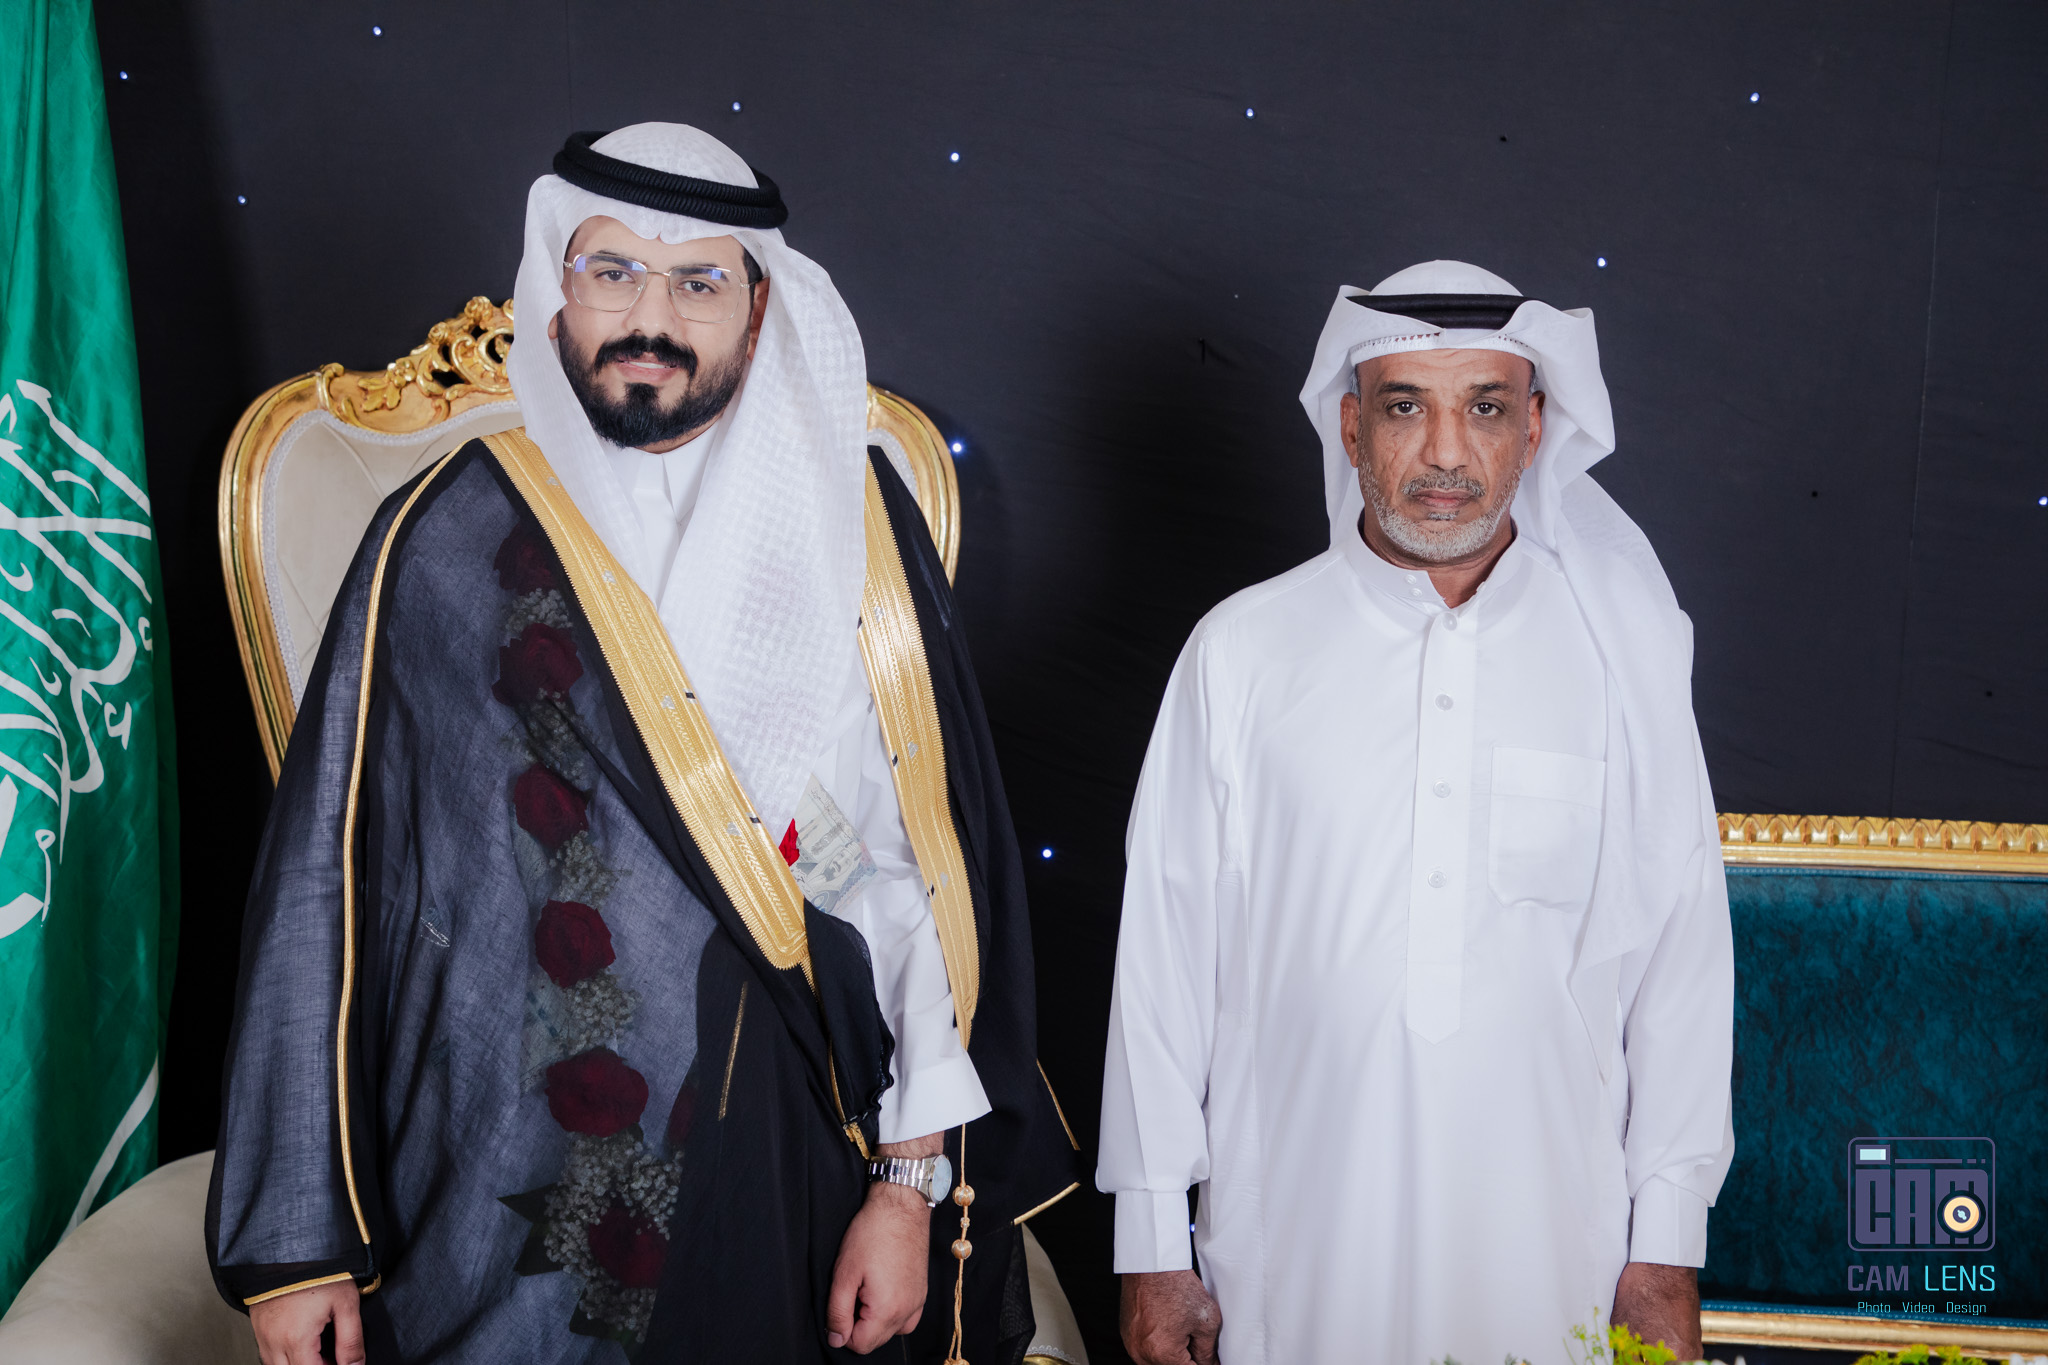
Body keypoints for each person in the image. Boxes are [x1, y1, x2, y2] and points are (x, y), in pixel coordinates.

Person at [207, 123, 1076, 1365]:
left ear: (759, 312)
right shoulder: (443, 536)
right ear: (558, 286)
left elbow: (892, 878)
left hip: (786, 1142)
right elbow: (329, 890)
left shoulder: (852, 529)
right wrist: (298, 1245)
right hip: (492, 1167)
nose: (649, 319)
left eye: (697, 282)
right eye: (612, 270)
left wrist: (905, 1186)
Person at [1097, 261, 1734, 1364]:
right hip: (1292, 1241)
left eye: (1484, 408)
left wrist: (1667, 1249)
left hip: (1555, 1247)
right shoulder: (1240, 650)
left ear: (1534, 430)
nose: (1445, 453)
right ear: (1351, 429)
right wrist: (1151, 1246)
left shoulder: (1619, 656)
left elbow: (1680, 967)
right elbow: (1164, 967)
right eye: (1405, 407)